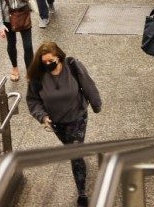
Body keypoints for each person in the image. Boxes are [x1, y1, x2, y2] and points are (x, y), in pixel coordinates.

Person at [27, 42, 102, 207]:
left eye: (51, 60)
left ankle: (82, 193)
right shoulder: (37, 77)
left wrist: (96, 105)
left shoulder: (72, 66)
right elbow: (33, 100)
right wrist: (42, 117)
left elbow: (88, 84)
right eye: (44, 62)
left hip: (78, 117)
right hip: (57, 122)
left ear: (58, 57)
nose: (48, 64)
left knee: (74, 153)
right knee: (72, 149)